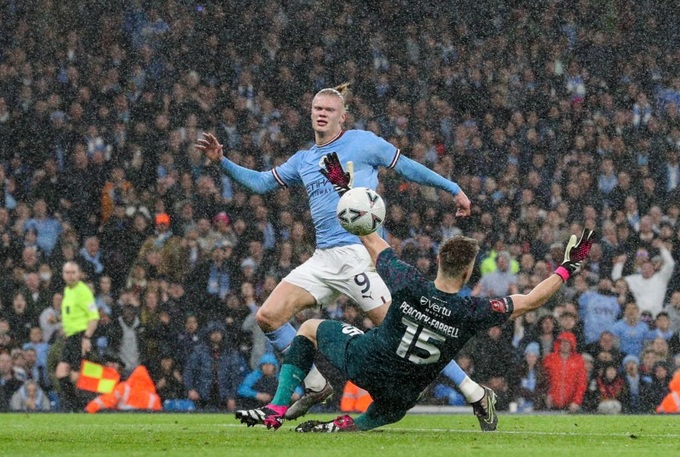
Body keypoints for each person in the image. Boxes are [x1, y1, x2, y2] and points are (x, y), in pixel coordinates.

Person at [197, 83, 477, 421]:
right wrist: (222, 161)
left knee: (407, 330)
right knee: (267, 317)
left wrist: (452, 188)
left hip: (361, 254)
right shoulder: (304, 160)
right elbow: (260, 183)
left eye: (329, 110)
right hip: (324, 257)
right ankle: (316, 386)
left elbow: (407, 167)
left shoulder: (363, 142)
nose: (321, 113)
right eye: (317, 108)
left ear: (342, 117)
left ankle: (473, 391)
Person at [235, 228, 593, 432]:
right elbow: (530, 300)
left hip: (366, 364)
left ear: (437, 261)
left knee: (310, 327)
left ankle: (279, 408)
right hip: (404, 393)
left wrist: (344, 188)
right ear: (469, 274)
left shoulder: (407, 281)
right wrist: (567, 268)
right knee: (386, 410)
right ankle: (348, 426)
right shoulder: (473, 311)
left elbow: (372, 240)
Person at [54, 261, 100, 411]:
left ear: (79, 274)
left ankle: (80, 407)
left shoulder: (83, 291)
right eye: (67, 273)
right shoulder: (67, 290)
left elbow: (94, 317)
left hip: (80, 336)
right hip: (70, 337)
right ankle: (76, 406)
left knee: (75, 375)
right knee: (61, 373)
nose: (70, 276)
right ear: (63, 275)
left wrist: (86, 338)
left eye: (73, 272)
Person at [542, 331, 588, 413]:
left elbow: (581, 384)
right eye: (563, 342)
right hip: (551, 405)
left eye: (568, 342)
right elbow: (543, 379)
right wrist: (546, 395)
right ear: (558, 343)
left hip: (571, 407)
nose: (565, 344)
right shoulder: (549, 358)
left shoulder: (579, 360)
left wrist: (576, 402)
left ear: (572, 344)